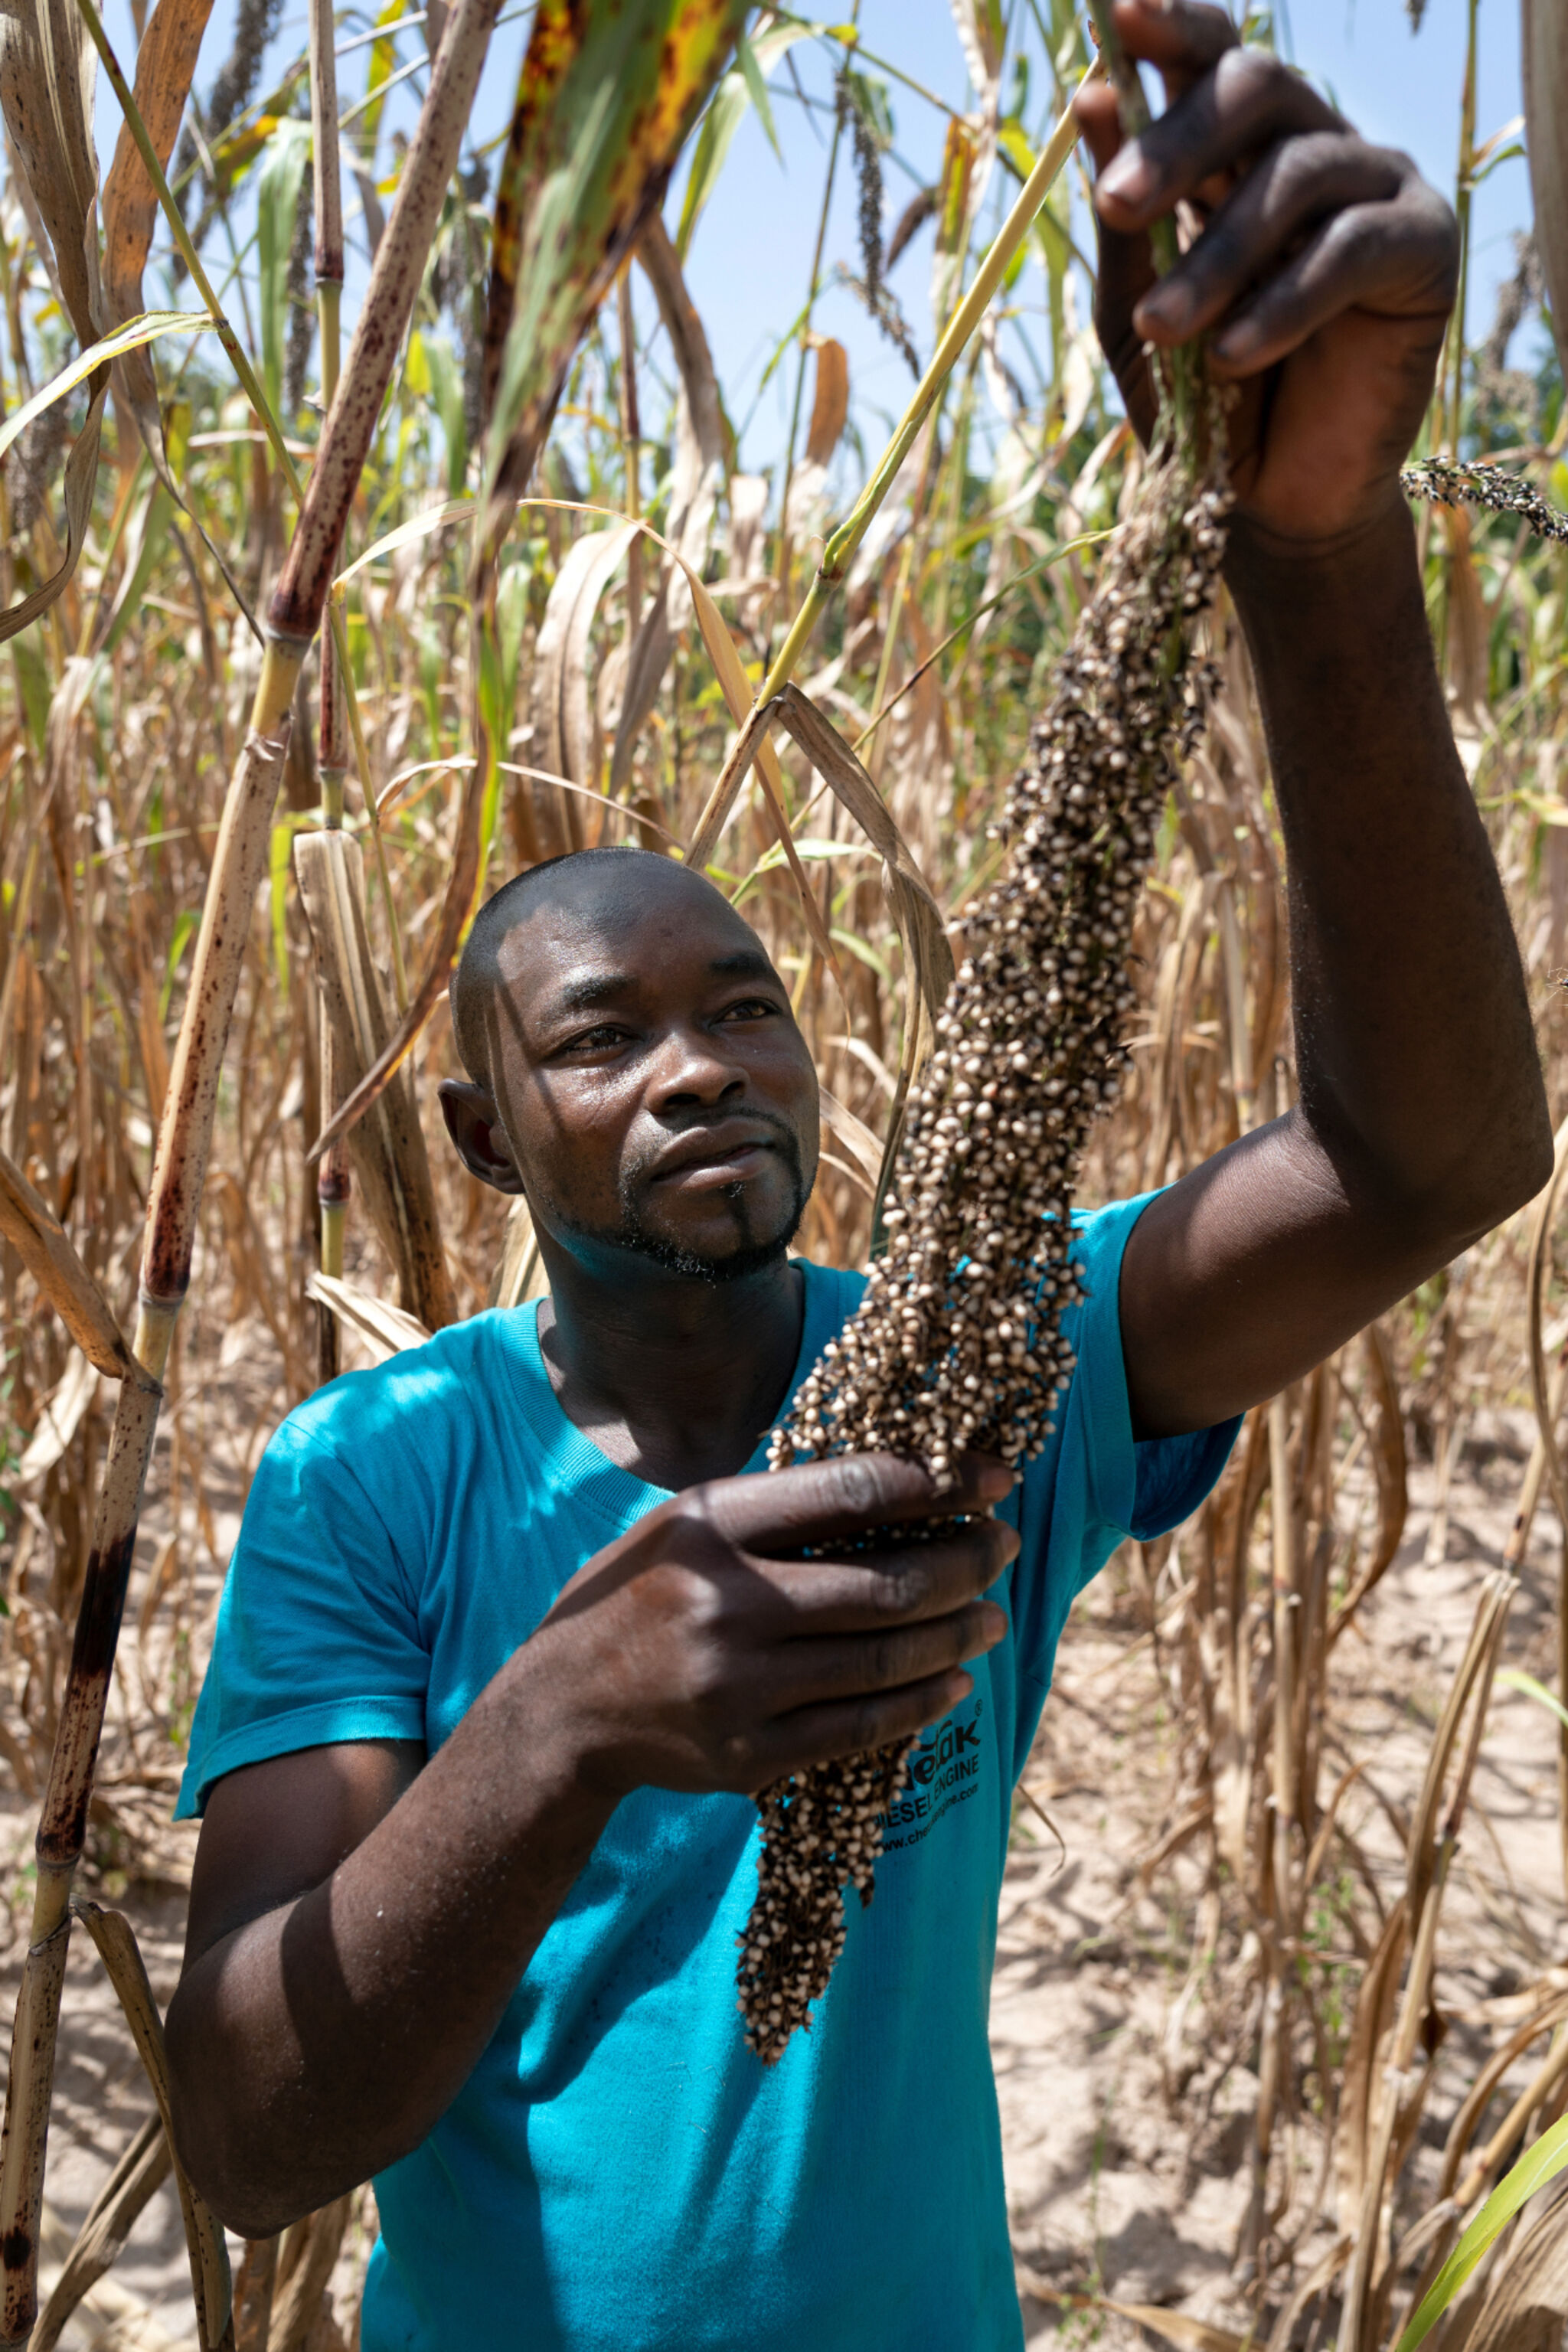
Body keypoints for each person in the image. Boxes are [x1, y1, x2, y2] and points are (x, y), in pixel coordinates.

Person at [165, 5, 1553, 2347]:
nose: (705, 1065)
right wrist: (568, 1715)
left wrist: (1313, 547)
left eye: (749, 1006)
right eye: (604, 1036)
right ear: (484, 1134)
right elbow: (250, 2131)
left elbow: (1427, 1159)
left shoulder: (996, 1363)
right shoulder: (373, 1482)